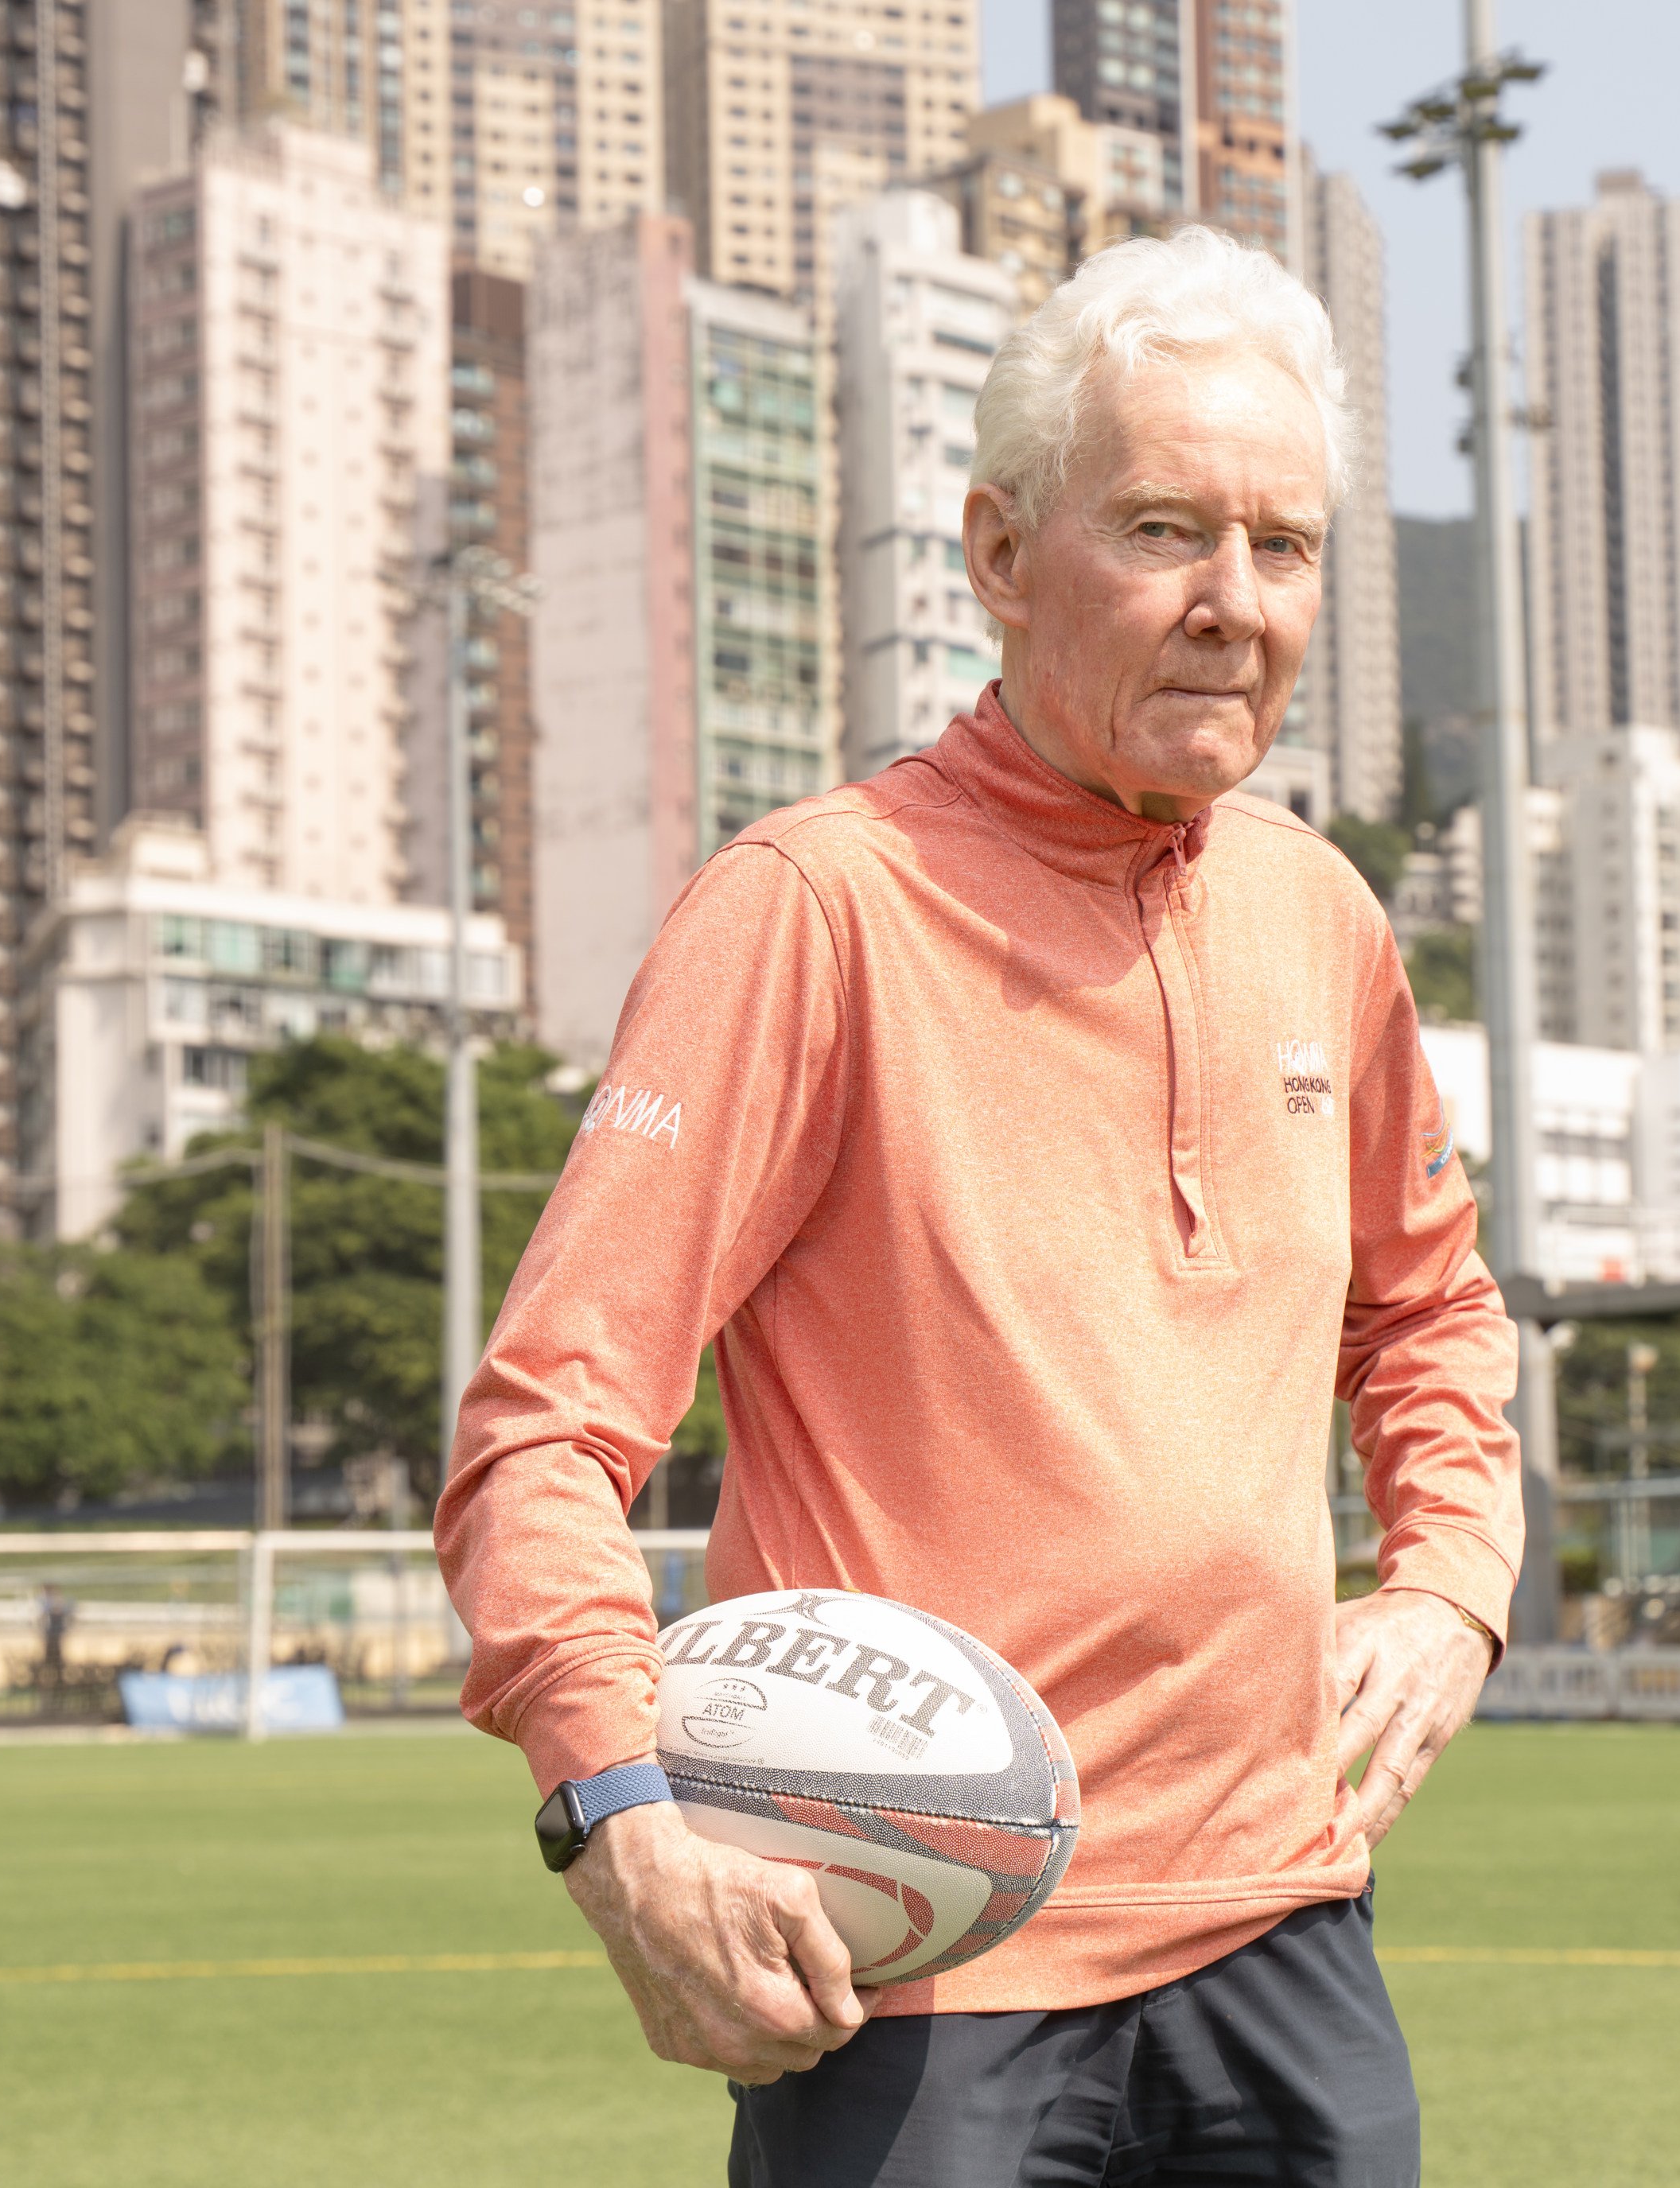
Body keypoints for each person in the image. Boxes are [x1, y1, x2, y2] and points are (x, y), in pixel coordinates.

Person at [438, 226, 1521, 2187]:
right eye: (1164, 529)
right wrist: (613, 1810)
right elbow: (542, 1429)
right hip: (928, 1942)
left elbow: (1429, 1311)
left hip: (1288, 1922)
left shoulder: (1321, 915)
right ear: (1000, 554)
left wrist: (1453, 1577)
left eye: (1279, 549)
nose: (1227, 604)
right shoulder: (811, 907)